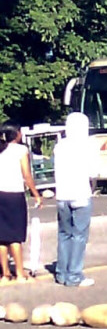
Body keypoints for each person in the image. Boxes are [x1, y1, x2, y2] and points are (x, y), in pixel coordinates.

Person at [53, 113, 99, 287]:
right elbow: (94, 172)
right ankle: (74, 275)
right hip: (81, 194)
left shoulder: (60, 146)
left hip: (62, 195)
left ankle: (61, 273)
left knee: (64, 234)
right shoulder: (89, 144)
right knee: (79, 236)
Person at [0, 121, 42, 284]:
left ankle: (5, 274)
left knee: (2, 237)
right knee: (15, 236)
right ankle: (19, 272)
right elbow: (27, 175)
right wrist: (36, 194)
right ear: (16, 133)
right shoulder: (21, 150)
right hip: (14, 195)